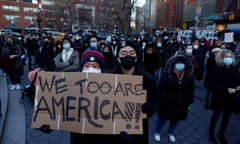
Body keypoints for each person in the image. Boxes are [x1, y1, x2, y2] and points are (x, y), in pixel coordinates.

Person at [114, 39, 157, 144]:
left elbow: (155, 100)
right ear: (118, 58)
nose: (128, 56)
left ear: (136, 57)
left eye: (131, 53)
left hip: (138, 128)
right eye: (123, 53)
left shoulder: (147, 79)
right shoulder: (109, 78)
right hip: (114, 128)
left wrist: (149, 108)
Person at [154, 55, 195, 143]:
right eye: (177, 64)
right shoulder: (167, 75)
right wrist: (163, 98)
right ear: (173, 65)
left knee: (176, 119)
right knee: (162, 118)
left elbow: (191, 90)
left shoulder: (188, 77)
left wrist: (189, 101)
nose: (179, 66)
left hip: (181, 103)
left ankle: (170, 133)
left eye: (181, 64)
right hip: (167, 102)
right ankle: (157, 132)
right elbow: (160, 88)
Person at [208, 49, 240, 144]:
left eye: (230, 57)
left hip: (231, 99)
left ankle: (221, 134)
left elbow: (238, 80)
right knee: (216, 116)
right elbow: (213, 85)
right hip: (219, 98)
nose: (228, 59)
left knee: (226, 118)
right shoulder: (216, 69)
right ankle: (211, 133)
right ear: (222, 58)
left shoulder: (234, 70)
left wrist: (238, 85)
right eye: (226, 57)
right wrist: (226, 89)